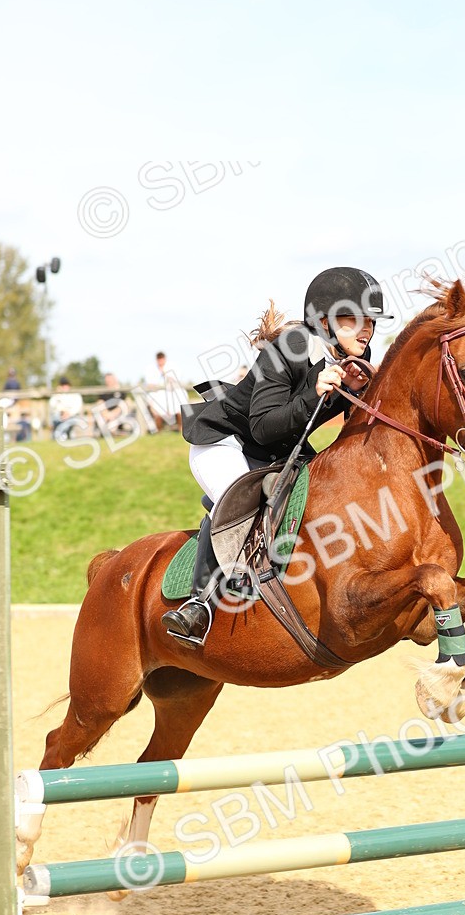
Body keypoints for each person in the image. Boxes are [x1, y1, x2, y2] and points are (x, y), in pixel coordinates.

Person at [162, 266, 393, 647]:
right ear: (324, 321)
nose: (366, 329)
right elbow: (263, 426)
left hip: (283, 447)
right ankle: (198, 604)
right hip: (227, 441)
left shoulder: (357, 354)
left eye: (371, 321)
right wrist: (316, 394)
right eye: (355, 320)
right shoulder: (289, 349)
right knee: (241, 499)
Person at [144, 351, 190, 431]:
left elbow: (175, 381)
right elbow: (149, 385)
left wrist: (164, 373)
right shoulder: (151, 369)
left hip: (172, 392)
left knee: (180, 403)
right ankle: (159, 430)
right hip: (157, 394)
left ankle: (181, 429)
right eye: (159, 359)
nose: (160, 361)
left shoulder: (172, 367)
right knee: (156, 409)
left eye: (161, 359)